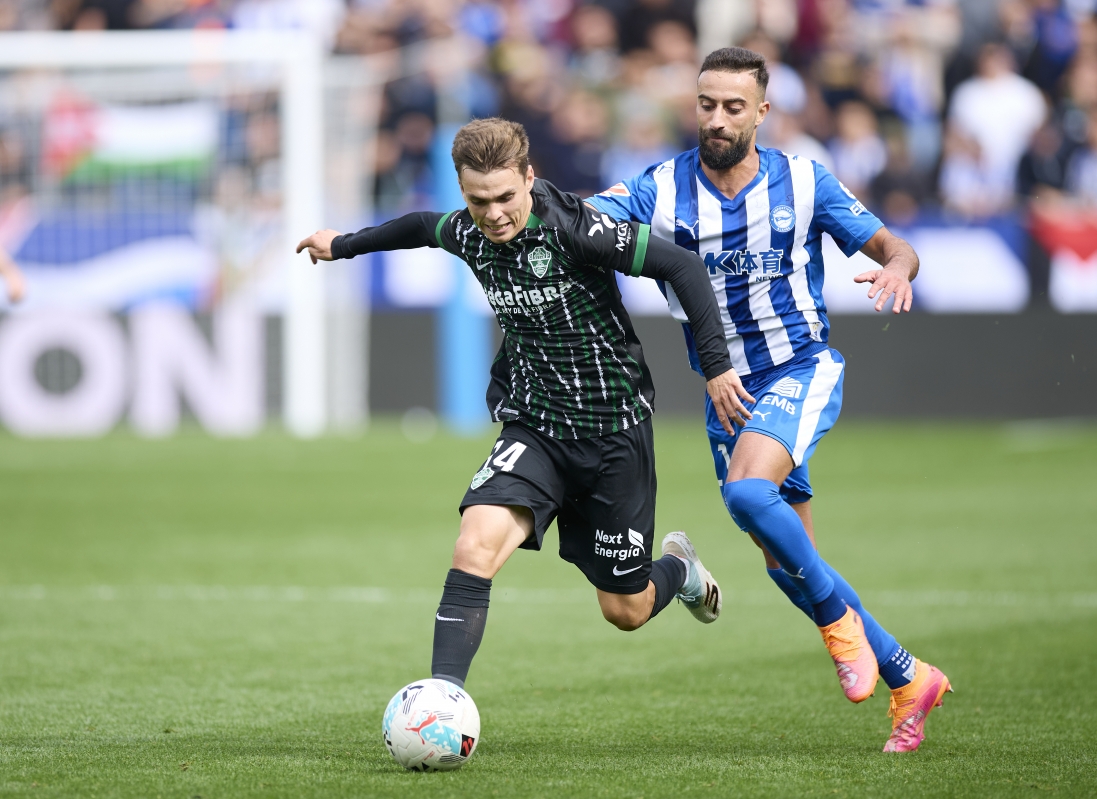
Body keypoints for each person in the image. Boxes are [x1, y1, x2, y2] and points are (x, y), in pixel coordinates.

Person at [296, 118, 749, 688]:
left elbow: (681, 265)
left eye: (505, 197)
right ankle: (443, 699)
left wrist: (717, 367)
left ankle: (680, 568)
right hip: (535, 425)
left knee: (625, 610)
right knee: (474, 546)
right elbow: (421, 226)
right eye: (478, 201)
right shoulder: (467, 230)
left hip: (614, 432)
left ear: (529, 178)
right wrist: (343, 245)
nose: (493, 214)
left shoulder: (575, 229)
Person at [585, 48, 950, 753]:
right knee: (788, 563)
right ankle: (910, 676)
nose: (717, 120)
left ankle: (839, 629)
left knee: (749, 493)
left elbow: (893, 246)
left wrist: (899, 269)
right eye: (706, 105)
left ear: (762, 112)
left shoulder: (805, 181)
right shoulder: (660, 188)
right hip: (728, 397)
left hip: (801, 369)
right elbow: (582, 219)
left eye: (733, 107)